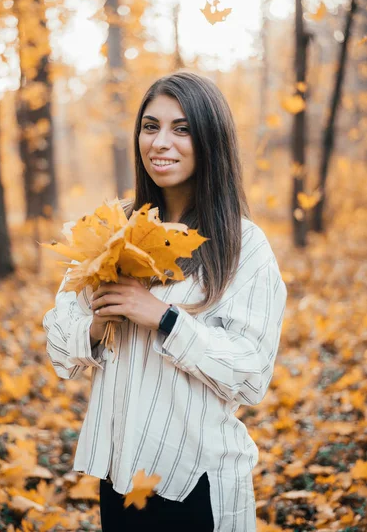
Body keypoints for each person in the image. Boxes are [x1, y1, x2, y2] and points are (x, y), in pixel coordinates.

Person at [43, 71, 287, 532]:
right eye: (150, 126)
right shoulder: (113, 228)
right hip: (120, 474)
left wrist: (164, 318)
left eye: (182, 129)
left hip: (196, 479)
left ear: (210, 140)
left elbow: (252, 372)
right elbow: (59, 345)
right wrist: (94, 327)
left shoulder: (244, 246)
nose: (161, 142)